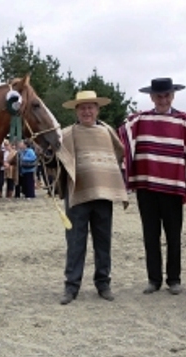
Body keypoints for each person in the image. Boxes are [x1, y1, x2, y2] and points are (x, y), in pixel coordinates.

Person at [118, 77, 186, 295]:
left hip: (173, 187)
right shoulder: (139, 121)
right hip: (146, 187)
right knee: (150, 234)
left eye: (166, 95)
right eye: (158, 96)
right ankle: (153, 279)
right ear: (151, 97)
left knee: (174, 235)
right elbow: (121, 138)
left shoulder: (185, 121)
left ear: (173, 95)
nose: (163, 99)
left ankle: (174, 279)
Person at [56, 90, 129, 305]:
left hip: (103, 193)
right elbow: (58, 159)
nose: (87, 111)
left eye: (91, 107)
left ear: (97, 109)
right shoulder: (67, 134)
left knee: (103, 241)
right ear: (76, 111)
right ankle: (71, 287)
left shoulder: (108, 132)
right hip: (77, 193)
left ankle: (103, 283)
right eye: (82, 107)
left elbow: (118, 153)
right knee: (75, 242)